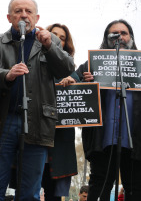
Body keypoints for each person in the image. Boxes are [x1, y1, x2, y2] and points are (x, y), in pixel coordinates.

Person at [76, 19, 141, 201]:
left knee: (137, 188)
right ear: (106, 38)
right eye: (114, 33)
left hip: (138, 139)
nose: (119, 37)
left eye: (123, 33)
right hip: (103, 139)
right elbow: (75, 97)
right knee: (99, 185)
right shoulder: (90, 65)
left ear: (130, 37)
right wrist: (86, 85)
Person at [0, 0, 74, 200]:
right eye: (18, 11)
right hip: (5, 120)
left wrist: (50, 46)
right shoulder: (1, 42)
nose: (23, 15)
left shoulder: (50, 41)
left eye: (28, 11)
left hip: (38, 121)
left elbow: (66, 69)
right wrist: (6, 75)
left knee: (31, 189)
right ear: (9, 17)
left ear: (37, 17)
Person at [41, 23, 79, 201]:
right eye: (53, 34)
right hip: (36, 136)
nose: (56, 39)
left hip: (60, 140)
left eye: (61, 38)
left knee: (53, 194)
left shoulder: (72, 70)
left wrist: (73, 79)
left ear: (66, 44)